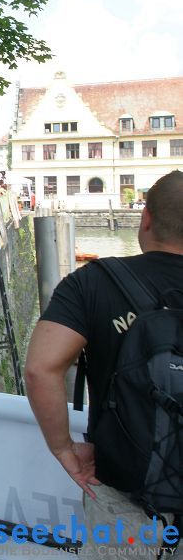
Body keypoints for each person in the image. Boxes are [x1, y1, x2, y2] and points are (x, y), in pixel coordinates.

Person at [25, 170, 183, 559]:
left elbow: (41, 368)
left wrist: (64, 448)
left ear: (145, 218)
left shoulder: (95, 282)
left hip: (126, 489)